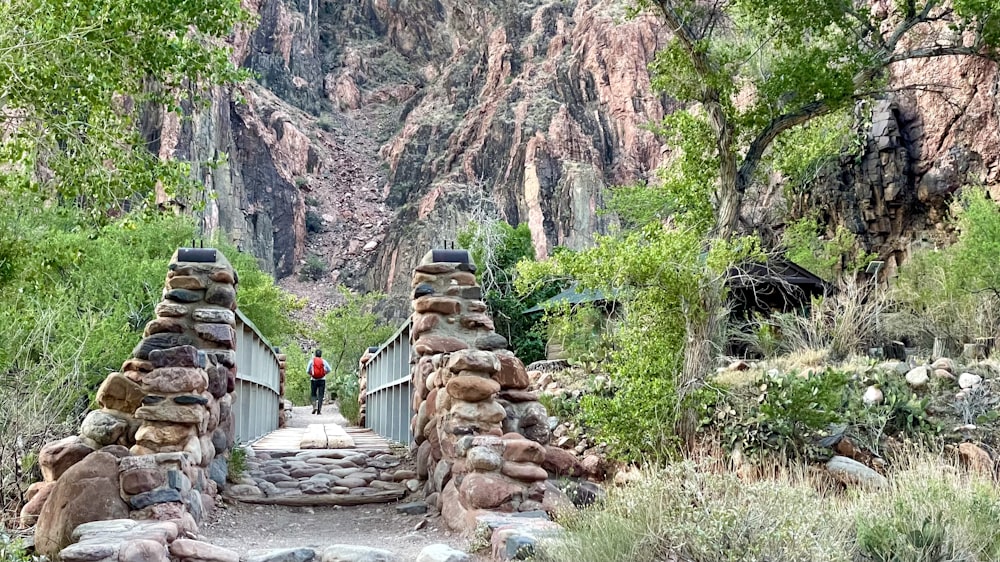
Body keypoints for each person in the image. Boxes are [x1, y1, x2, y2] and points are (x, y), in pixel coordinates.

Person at [307, 349, 332, 414]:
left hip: (313, 379)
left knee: (313, 394)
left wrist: (312, 374)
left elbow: (307, 371)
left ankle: (314, 407)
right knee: (321, 395)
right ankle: (319, 410)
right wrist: (324, 373)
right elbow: (329, 369)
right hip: (322, 380)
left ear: (315, 354)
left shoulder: (311, 361)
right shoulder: (324, 361)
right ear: (321, 355)